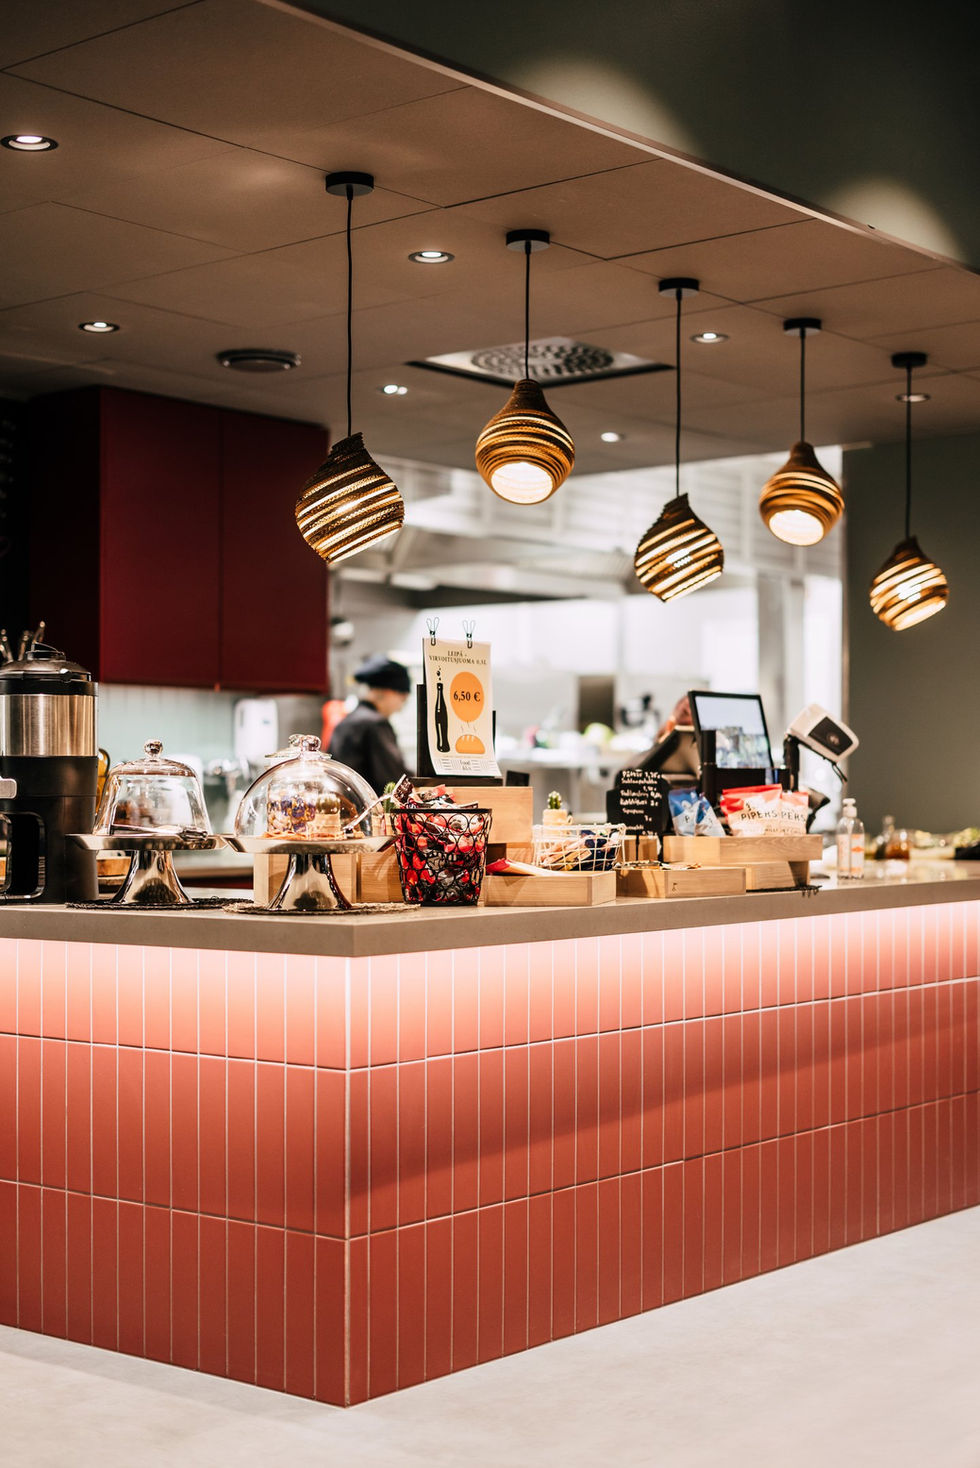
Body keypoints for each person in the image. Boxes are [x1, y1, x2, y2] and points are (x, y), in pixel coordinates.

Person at [328, 655, 411, 793]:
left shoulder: (347, 721)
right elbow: (394, 780)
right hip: (370, 810)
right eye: (402, 699)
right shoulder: (376, 724)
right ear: (388, 692)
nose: (400, 707)